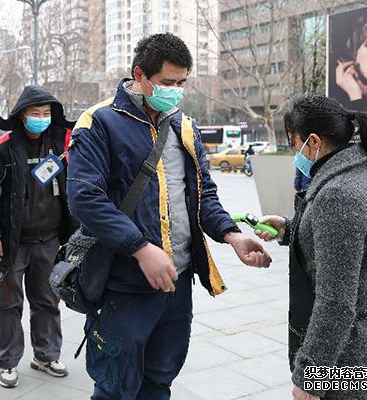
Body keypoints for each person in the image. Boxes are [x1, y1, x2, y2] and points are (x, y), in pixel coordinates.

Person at [67, 33, 272, 399]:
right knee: (115, 387)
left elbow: (203, 195)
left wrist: (232, 235)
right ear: (140, 75)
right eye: (167, 83)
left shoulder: (184, 126)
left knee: (160, 381)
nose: (176, 91)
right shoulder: (99, 122)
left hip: (176, 285)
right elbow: (85, 198)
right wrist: (140, 248)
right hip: (123, 285)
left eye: (182, 83)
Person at [256, 94, 367, 400]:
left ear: (313, 141)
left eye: (293, 142)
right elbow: (355, 248)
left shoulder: (337, 195)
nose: (294, 150)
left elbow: (337, 302)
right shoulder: (363, 172)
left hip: (350, 354)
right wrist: (291, 229)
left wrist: (311, 376)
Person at [0, 85, 76, 389]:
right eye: (36, 113)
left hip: (50, 240)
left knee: (48, 301)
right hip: (11, 243)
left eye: (47, 113)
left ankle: (45, 355)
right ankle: (7, 361)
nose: (42, 119)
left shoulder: (61, 142)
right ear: (21, 116)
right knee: (8, 304)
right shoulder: (2, 148)